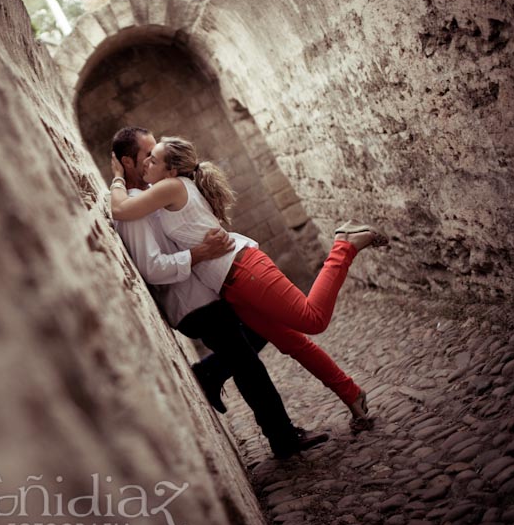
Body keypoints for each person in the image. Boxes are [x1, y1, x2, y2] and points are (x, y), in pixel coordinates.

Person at [110, 134, 387, 433]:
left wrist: (116, 179)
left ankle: (344, 244)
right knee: (292, 342)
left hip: (244, 270)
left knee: (312, 318)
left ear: (172, 171)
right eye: (146, 157)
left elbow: (121, 210)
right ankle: (351, 394)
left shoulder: (171, 186)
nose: (148, 162)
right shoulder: (167, 188)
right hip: (230, 284)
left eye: (155, 158)